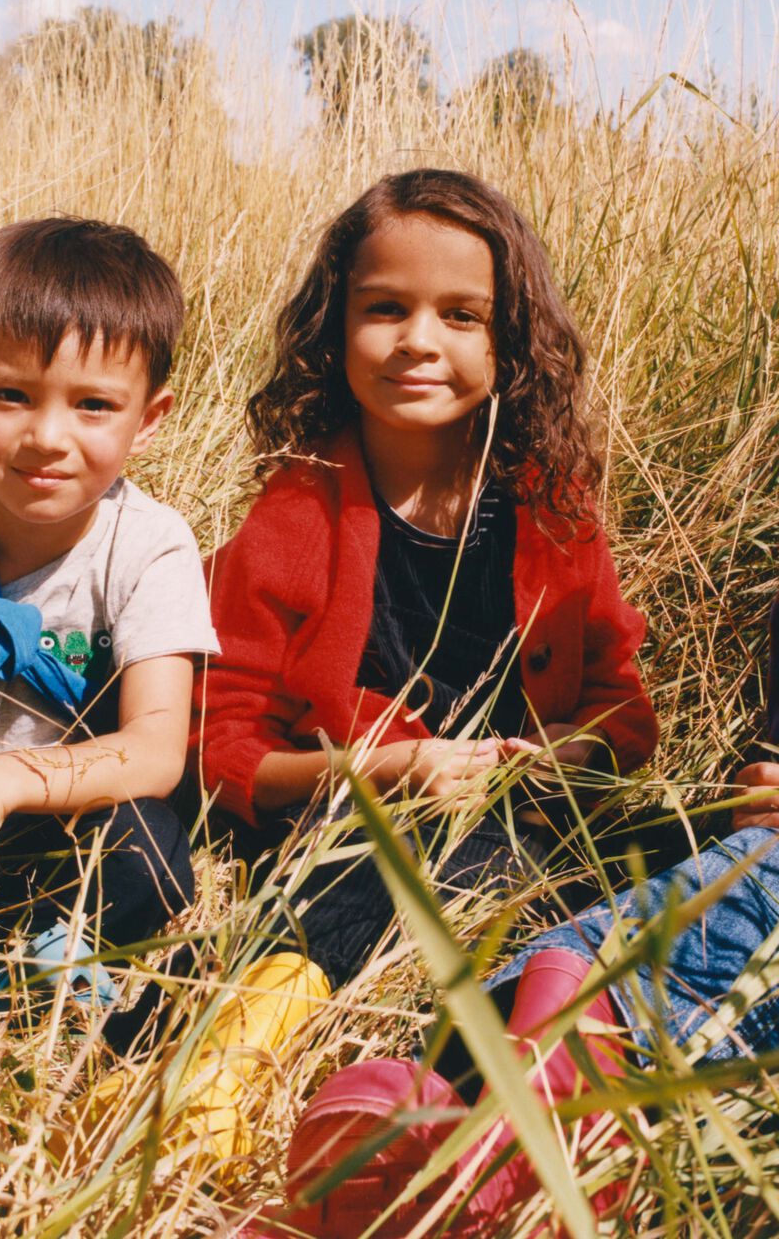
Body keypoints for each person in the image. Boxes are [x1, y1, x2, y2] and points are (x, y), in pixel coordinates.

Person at [283, 136, 779, 1237]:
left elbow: (612, 704)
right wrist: (778, 783)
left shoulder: (540, 509)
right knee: (693, 895)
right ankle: (484, 1097)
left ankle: (546, 1134)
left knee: (773, 918)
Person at [192, 168, 658, 991]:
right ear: (334, 330)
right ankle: (244, 1041)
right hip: (359, 827)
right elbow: (219, 743)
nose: (418, 340)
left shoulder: (552, 505)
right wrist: (390, 772)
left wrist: (569, 750)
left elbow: (619, 703)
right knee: (383, 867)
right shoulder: (298, 507)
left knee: (709, 856)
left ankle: (558, 1032)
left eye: (461, 316)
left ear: (507, 342)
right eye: (384, 309)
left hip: (531, 825)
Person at [0, 217, 217, 1006]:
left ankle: (38, 965)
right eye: (11, 394)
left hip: (62, 820)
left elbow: (154, 749)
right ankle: (5, 980)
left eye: (94, 405)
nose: (47, 437)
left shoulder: (150, 546)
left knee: (151, 855)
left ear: (150, 418)